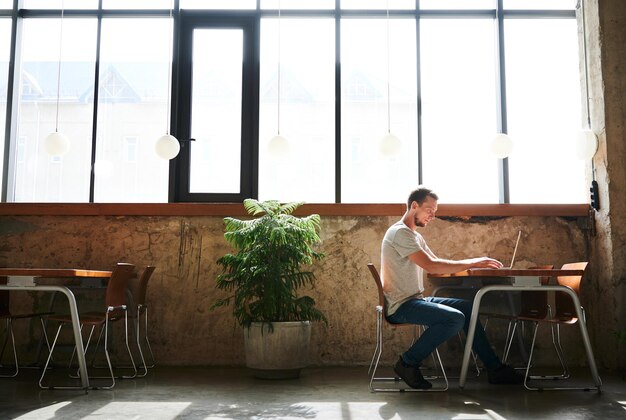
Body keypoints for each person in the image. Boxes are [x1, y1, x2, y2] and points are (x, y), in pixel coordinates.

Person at [381, 187, 523, 389]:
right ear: (414, 206)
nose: (433, 215)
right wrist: (474, 262)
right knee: (455, 318)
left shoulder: (413, 236)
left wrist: (470, 264)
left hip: (415, 300)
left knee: (467, 307)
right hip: (401, 306)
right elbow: (431, 266)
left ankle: (495, 368)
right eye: (430, 210)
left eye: (435, 211)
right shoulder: (400, 233)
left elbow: (435, 263)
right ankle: (408, 362)